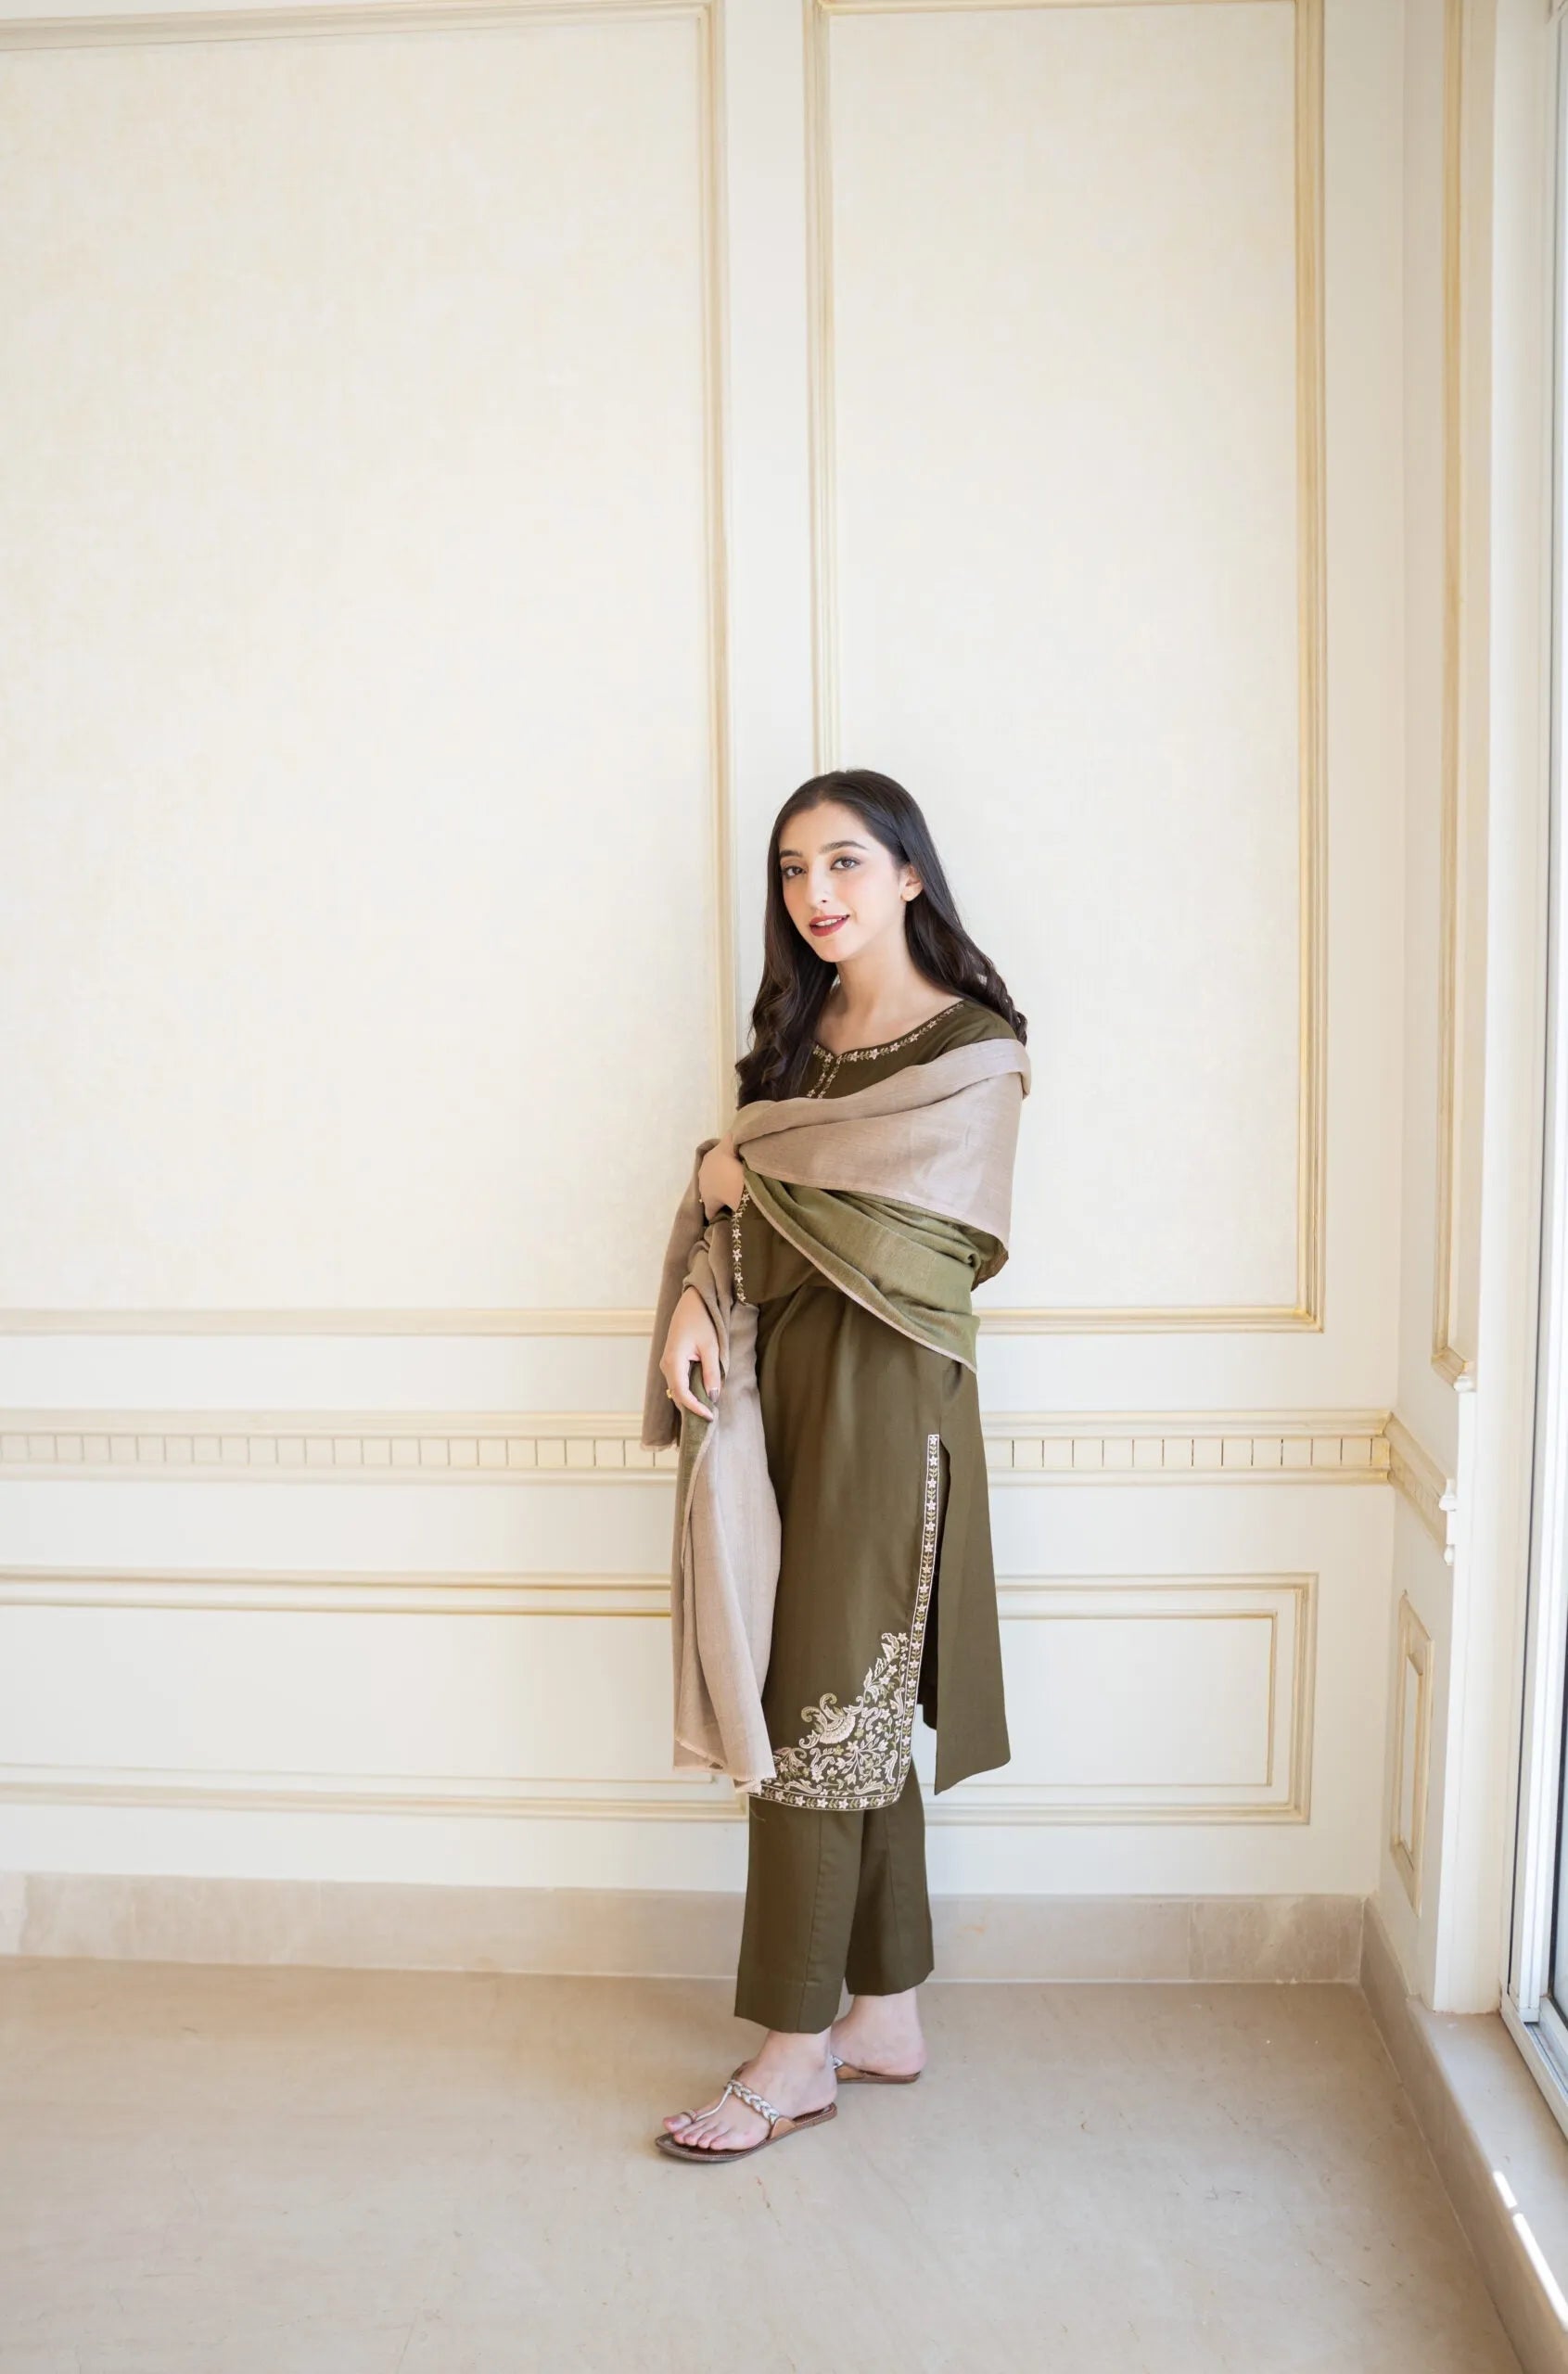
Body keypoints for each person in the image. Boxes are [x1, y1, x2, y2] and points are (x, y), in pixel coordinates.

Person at [652, 767, 1027, 2163]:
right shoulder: (800, 1053)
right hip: (781, 1399)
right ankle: (886, 2015)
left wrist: (750, 1184)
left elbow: (935, 1245)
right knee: (844, 1708)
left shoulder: (973, 1051)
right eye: (796, 871)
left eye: (847, 864)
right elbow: (728, 1196)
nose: (817, 896)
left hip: (888, 1406)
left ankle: (791, 2051)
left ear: (911, 875)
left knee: (825, 1712)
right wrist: (702, 1273)